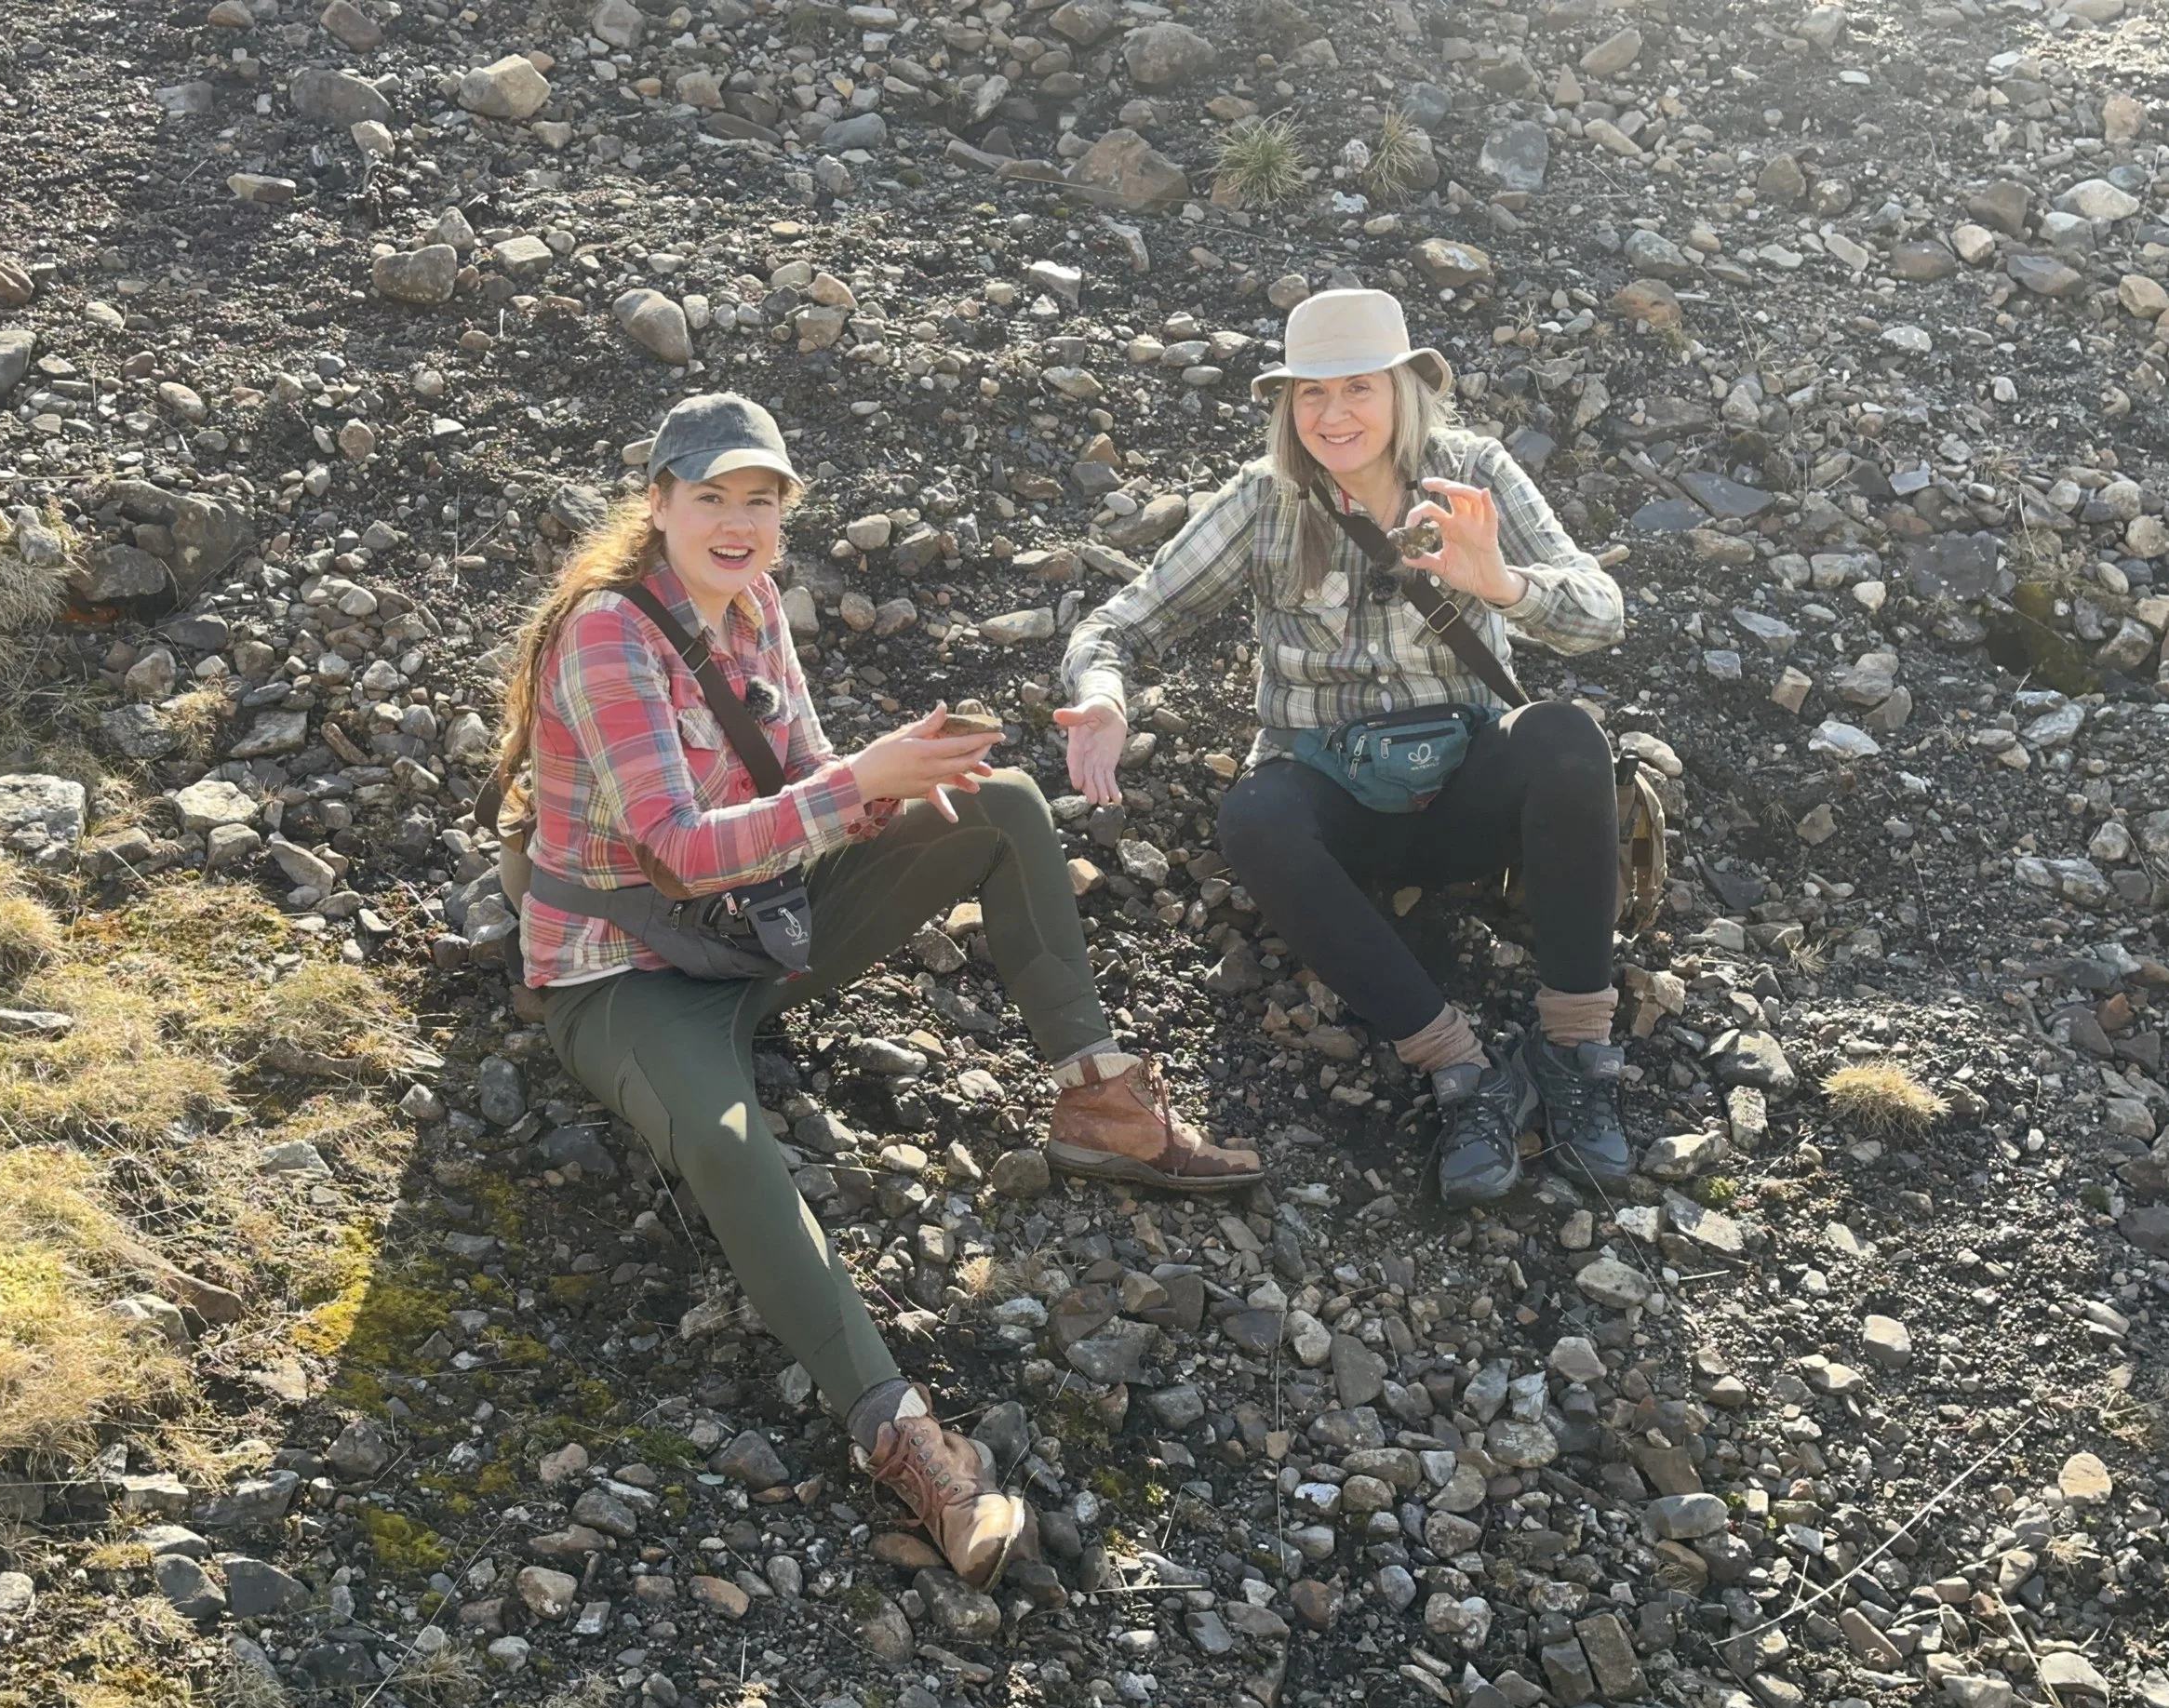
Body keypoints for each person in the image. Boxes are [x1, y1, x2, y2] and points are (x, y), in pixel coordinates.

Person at [495, 393, 1261, 1592]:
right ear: (658, 504)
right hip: (625, 975)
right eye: (713, 498)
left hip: (752, 934)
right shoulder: (608, 633)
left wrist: (896, 785)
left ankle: (1099, 1102)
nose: (739, 523)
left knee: (1002, 802)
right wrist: (859, 781)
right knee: (731, 1144)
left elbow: (799, 781)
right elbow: (683, 848)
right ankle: (902, 1434)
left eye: (762, 500)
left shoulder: (749, 604)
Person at [1055, 289, 1630, 1208]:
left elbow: (1602, 612)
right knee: (1254, 817)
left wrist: (1504, 583)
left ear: (1405, 389)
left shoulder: (1474, 473)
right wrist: (1102, 695)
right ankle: (1463, 1074)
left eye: (1355, 388)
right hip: (1334, 802)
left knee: (1566, 738)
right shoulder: (1261, 499)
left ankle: (1575, 1052)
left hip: (1469, 792)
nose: (1331, 415)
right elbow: (1125, 621)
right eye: (1309, 395)